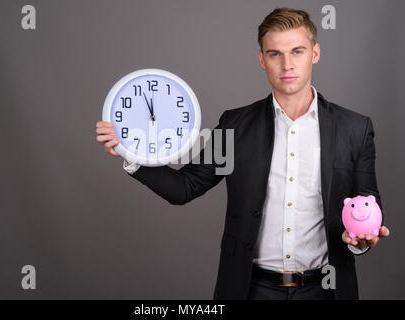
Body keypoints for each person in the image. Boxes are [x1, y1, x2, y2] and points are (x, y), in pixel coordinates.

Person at [95, 7, 390, 300]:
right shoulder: (234, 125)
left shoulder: (355, 128)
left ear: (315, 53)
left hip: (326, 289)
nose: (287, 64)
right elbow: (185, 188)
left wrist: (361, 240)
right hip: (251, 290)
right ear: (262, 60)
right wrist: (131, 153)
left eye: (297, 51)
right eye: (275, 54)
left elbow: (367, 201)